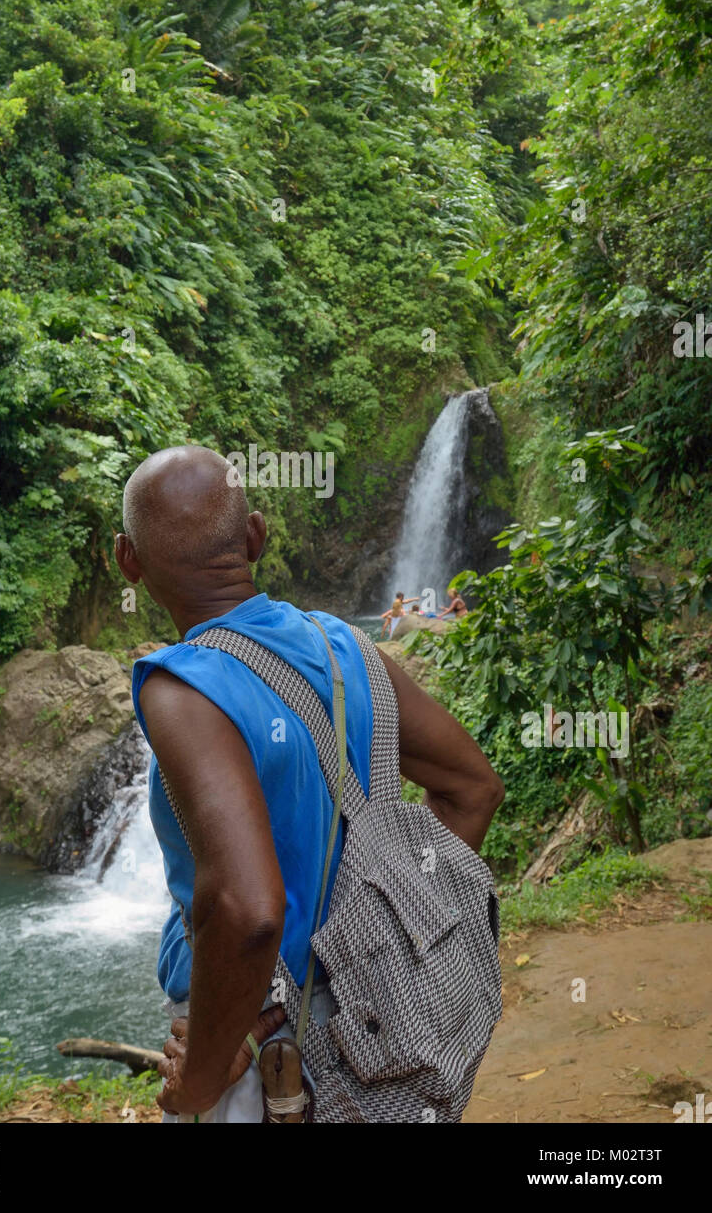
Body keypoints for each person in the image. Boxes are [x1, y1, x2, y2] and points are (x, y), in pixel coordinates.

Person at [115, 445, 503, 1123]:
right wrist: (390, 941)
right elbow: (473, 789)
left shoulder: (182, 688)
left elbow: (249, 911)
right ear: (257, 537)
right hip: (381, 1023)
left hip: (267, 1045)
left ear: (127, 560)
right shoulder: (344, 649)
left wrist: (210, 1067)